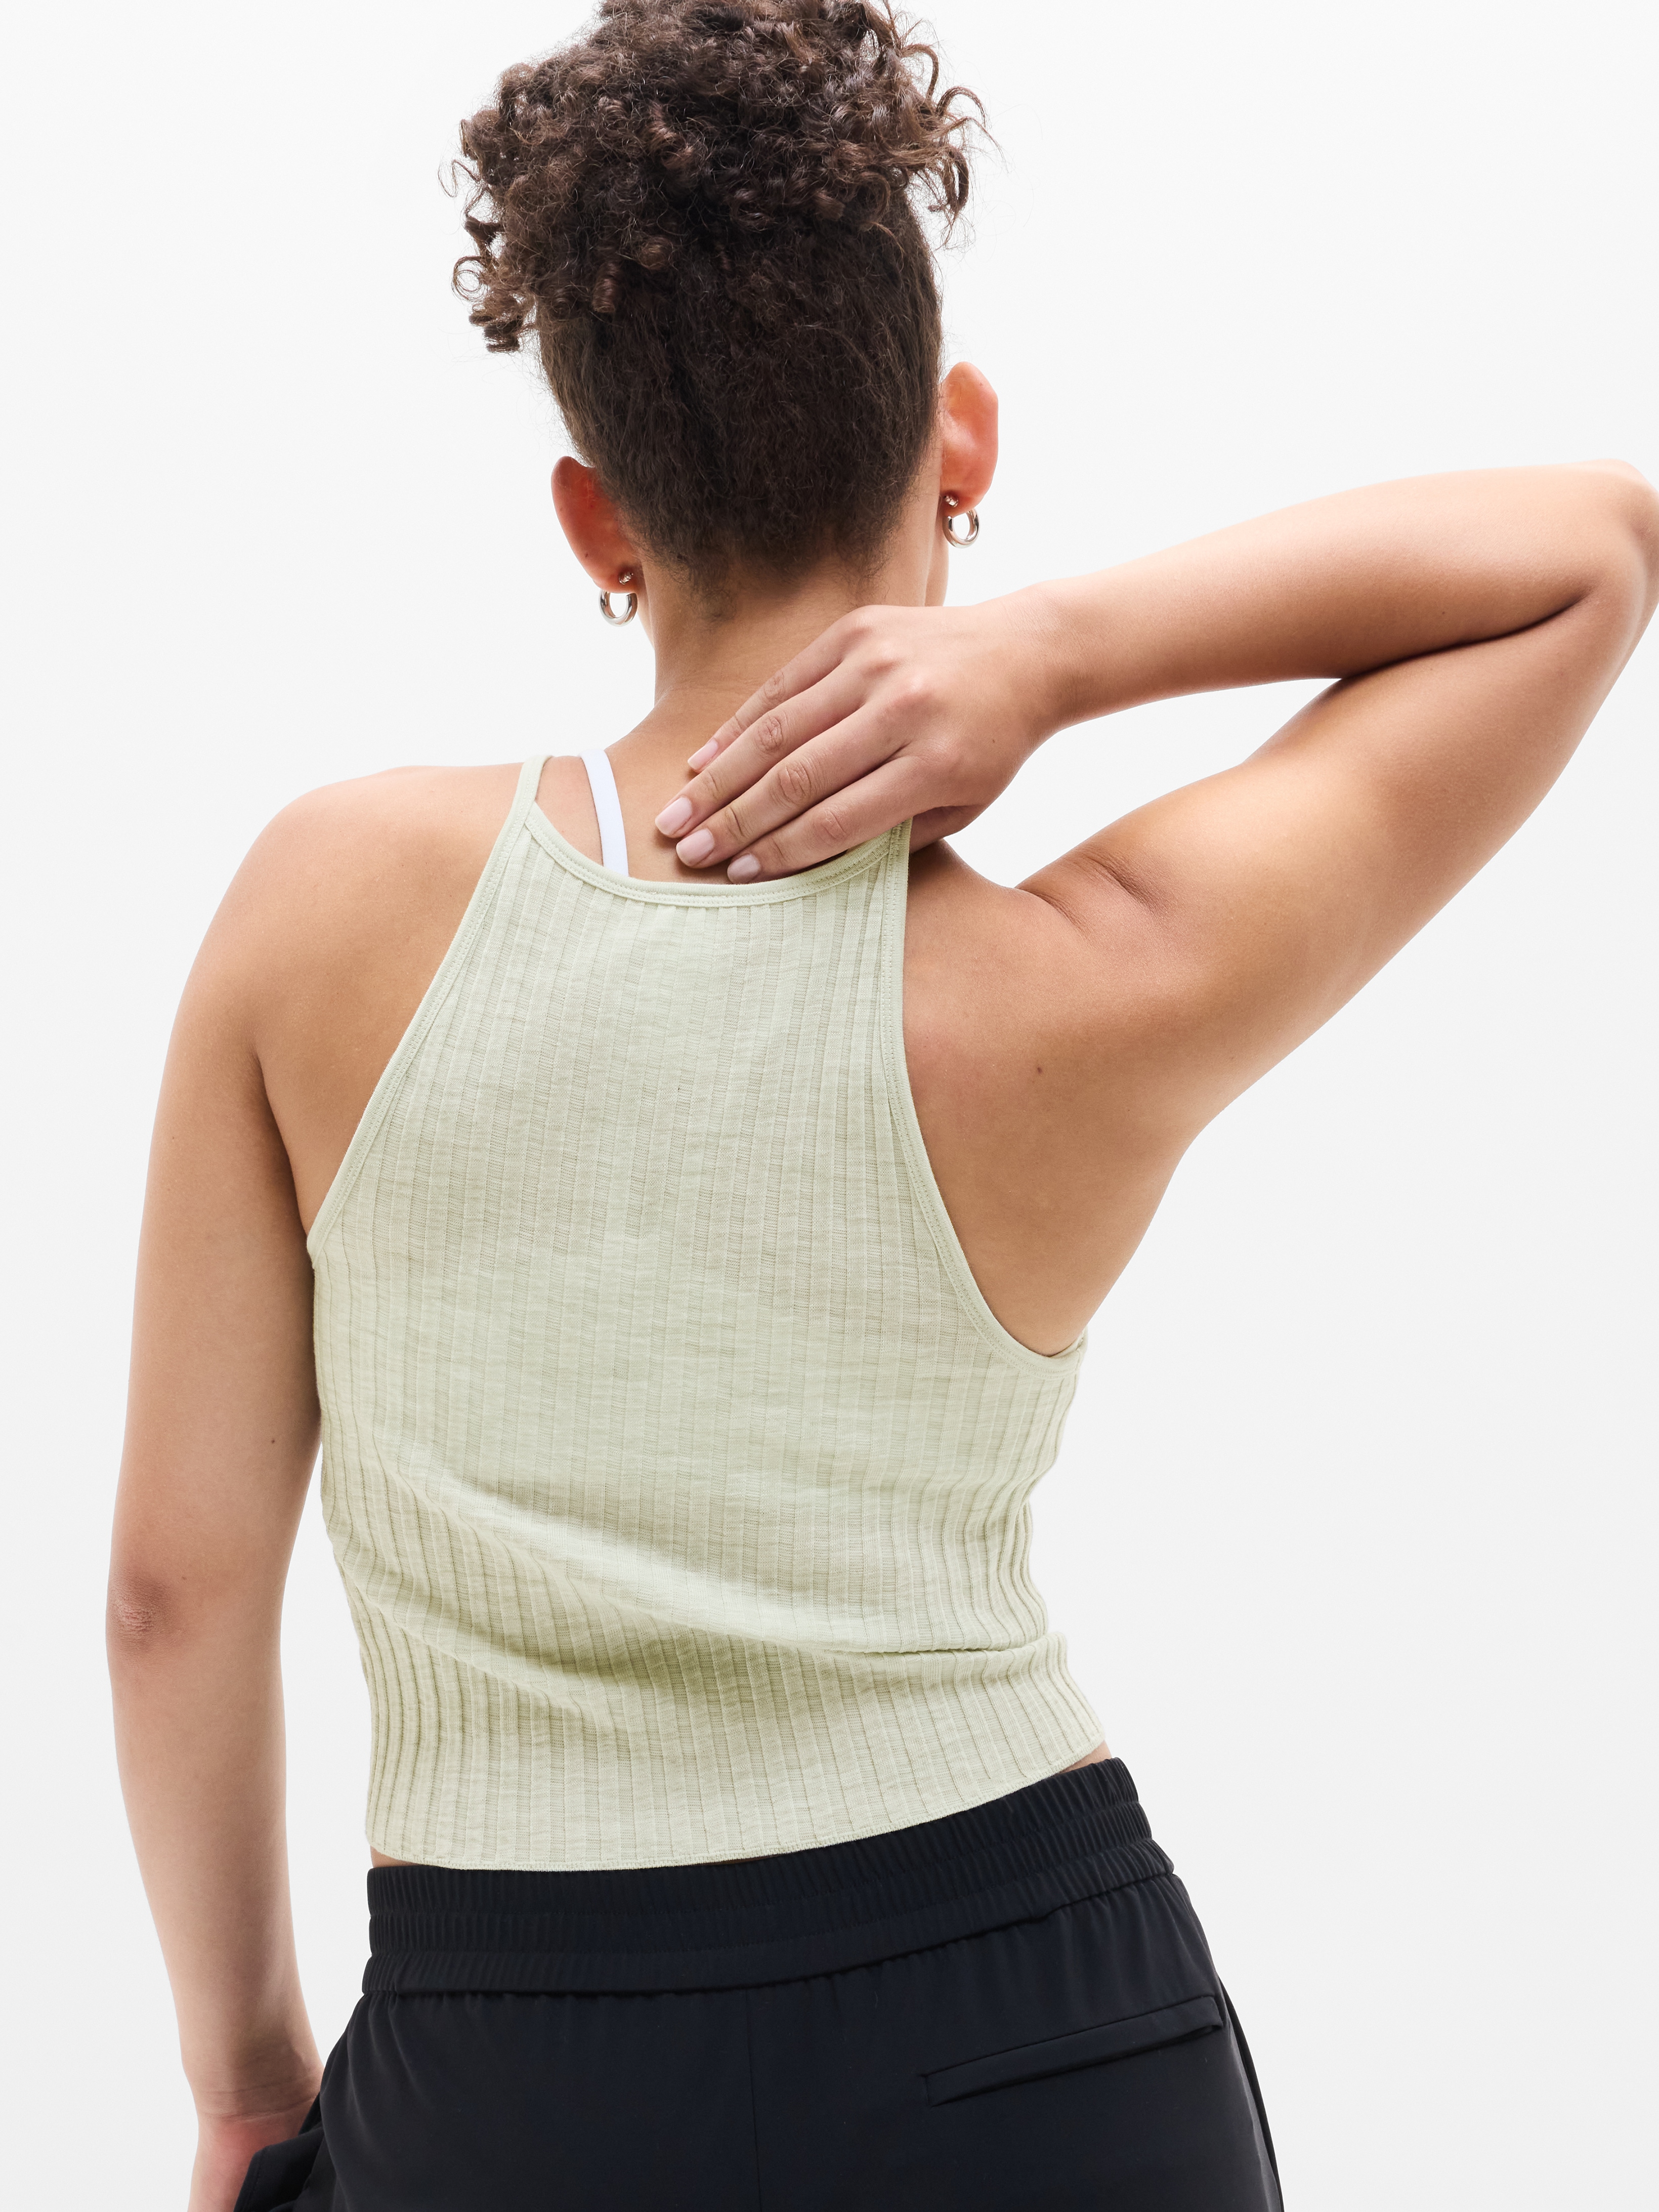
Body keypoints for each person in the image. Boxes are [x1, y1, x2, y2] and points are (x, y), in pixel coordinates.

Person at [106, 3, 1657, 2208]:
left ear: (592, 515)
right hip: (1035, 2037)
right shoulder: (1086, 975)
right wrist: (1056, 652)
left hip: (509, 2066)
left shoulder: (321, 911)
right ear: (963, 435)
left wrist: (253, 2084)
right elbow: (1590, 548)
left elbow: (172, 1595)